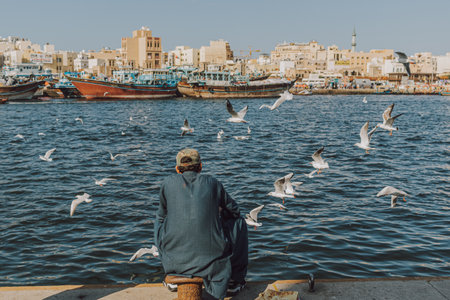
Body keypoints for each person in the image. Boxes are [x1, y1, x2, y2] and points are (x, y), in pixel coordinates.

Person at [154, 148, 248, 299]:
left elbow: (162, 216)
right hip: (212, 263)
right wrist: (217, 215)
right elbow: (235, 211)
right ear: (201, 167)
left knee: (159, 221)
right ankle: (234, 281)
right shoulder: (213, 183)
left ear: (177, 169)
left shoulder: (167, 183)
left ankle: (171, 272)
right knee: (240, 222)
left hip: (175, 261)